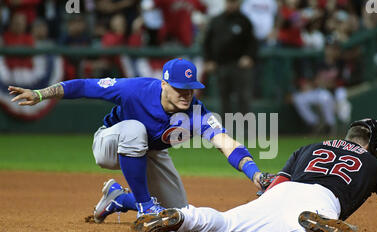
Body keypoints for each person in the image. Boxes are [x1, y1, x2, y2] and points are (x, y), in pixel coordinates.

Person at [8, 58, 266, 222]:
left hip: (152, 153)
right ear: (163, 84)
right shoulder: (135, 89)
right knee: (134, 129)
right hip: (109, 143)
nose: (186, 94)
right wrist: (41, 94)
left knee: (177, 216)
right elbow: (85, 86)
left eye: (190, 88)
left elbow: (225, 142)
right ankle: (144, 205)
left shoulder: (195, 112)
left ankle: (119, 198)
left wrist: (255, 174)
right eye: (178, 88)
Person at [133, 118, 377, 232]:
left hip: (284, 191)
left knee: (225, 223)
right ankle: (315, 222)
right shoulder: (376, 166)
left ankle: (183, 217)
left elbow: (276, 185)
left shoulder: (310, 146)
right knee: (315, 231)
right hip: (321, 201)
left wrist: (264, 206)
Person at [202, 0, 258, 116]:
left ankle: (245, 130)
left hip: (239, 66)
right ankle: (225, 130)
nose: (231, 5)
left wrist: (249, 57)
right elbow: (207, 43)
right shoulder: (216, 20)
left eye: (233, 2)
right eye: (229, 2)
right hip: (220, 65)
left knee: (243, 98)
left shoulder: (244, 21)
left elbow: (252, 43)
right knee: (223, 98)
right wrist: (208, 60)